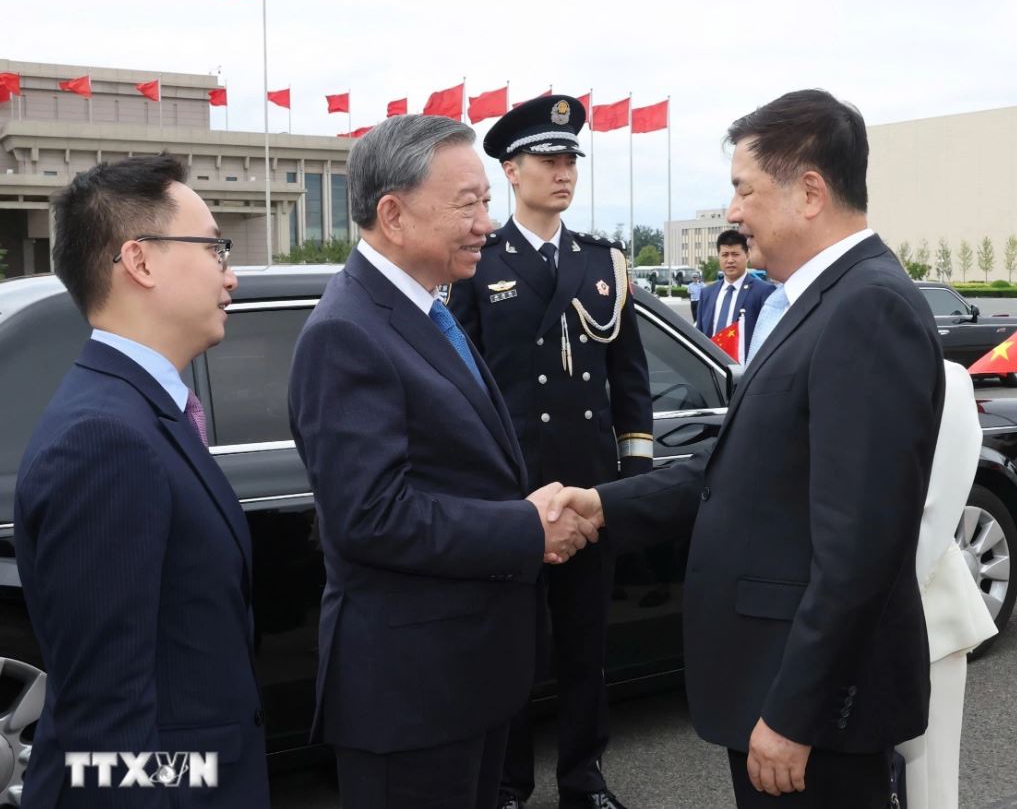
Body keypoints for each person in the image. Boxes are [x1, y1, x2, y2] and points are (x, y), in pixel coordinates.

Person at [549, 89, 946, 808]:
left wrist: (796, 711)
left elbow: (859, 545)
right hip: (779, 693)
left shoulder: (867, 310)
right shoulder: (821, 300)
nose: (732, 211)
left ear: (810, 192)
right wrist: (602, 505)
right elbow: (739, 468)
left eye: (743, 188)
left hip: (813, 718)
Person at [287, 114, 599, 809]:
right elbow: (369, 516)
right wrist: (525, 528)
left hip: (463, 681)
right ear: (392, 214)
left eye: (487, 202)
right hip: (410, 697)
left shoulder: (426, 309)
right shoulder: (348, 331)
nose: (486, 223)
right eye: (468, 203)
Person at [14, 155, 270, 807]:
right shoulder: (105, 438)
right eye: (214, 246)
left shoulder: (138, 411)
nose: (230, 273)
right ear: (141, 261)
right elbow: (112, 731)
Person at [449, 95, 653, 809]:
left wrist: (629, 483)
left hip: (589, 491)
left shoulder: (603, 262)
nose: (563, 171)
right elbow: (460, 385)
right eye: (547, 159)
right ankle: (506, 784)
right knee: (508, 649)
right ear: (511, 169)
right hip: (510, 495)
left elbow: (630, 384)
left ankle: (583, 778)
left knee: (583, 650)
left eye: (570, 159)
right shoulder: (478, 264)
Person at [897, 361, 997, 809]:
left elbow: (933, 517)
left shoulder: (947, 380)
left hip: (924, 614)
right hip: (862, 611)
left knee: (928, 788)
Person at [696, 229, 775, 342]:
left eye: (735, 254)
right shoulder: (707, 293)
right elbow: (700, 335)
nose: (730, 260)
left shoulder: (763, 291)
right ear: (719, 257)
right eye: (725, 255)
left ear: (747, 255)